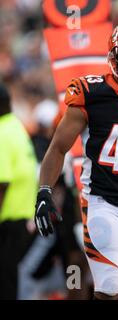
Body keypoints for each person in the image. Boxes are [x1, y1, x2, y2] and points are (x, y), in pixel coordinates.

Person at [33, 19, 118, 300]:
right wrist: (44, 192)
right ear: (116, 56)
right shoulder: (91, 93)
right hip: (101, 202)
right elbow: (57, 148)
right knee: (107, 287)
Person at [0, 82, 38, 299]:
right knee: (9, 278)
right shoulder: (15, 126)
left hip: (8, 220)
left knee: (4, 283)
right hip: (22, 216)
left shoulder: (2, 132)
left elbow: (2, 182)